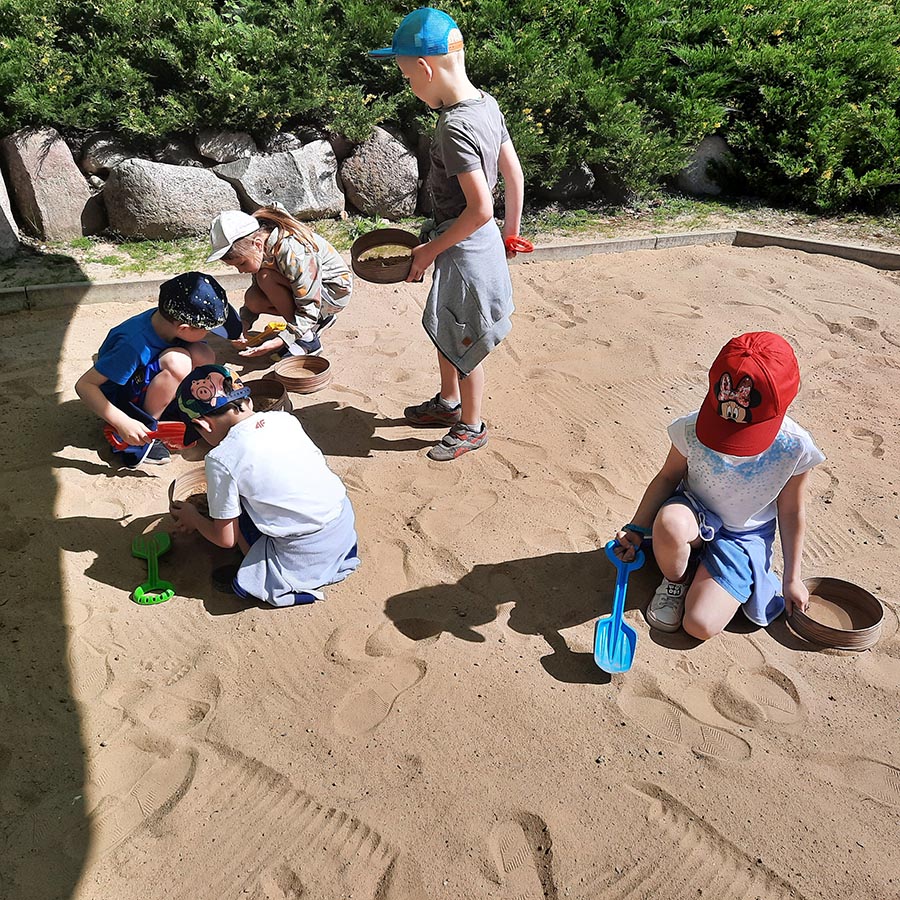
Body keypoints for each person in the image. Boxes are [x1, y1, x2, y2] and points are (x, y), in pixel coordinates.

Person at [369, 8, 525, 461]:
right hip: (477, 241)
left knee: (464, 338)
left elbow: (478, 209)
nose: (410, 86)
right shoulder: (486, 104)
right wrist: (510, 234)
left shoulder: (455, 126)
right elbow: (514, 176)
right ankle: (449, 400)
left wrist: (427, 252)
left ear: (424, 68)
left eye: (407, 78)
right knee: (447, 326)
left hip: (464, 247)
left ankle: (471, 425)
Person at [612, 332, 825, 640]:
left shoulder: (794, 447)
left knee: (699, 625)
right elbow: (668, 477)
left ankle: (704, 569)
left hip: (743, 536)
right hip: (693, 513)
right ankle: (676, 580)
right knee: (670, 524)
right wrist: (636, 527)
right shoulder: (692, 428)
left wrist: (792, 578)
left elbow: (791, 510)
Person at [169, 364, 361, 607]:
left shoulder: (220, 458)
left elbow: (226, 539)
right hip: (342, 526)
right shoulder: (285, 419)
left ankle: (275, 575)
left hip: (303, 550)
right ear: (248, 401)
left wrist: (194, 518)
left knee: (239, 529)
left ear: (204, 425)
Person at [75, 272, 240, 467]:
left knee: (202, 354)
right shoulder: (132, 344)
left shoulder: (168, 321)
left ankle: (184, 407)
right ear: (184, 328)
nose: (210, 333)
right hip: (121, 399)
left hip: (148, 380)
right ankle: (146, 428)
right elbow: (85, 385)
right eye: (207, 329)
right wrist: (122, 422)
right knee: (178, 362)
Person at [207, 205, 352, 359]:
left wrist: (281, 340)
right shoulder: (261, 249)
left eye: (241, 263)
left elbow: (309, 304)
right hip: (313, 295)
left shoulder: (292, 251)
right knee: (254, 298)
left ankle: (308, 341)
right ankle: (319, 321)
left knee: (265, 278)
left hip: (333, 293)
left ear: (257, 244)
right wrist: (244, 323)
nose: (240, 271)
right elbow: (257, 295)